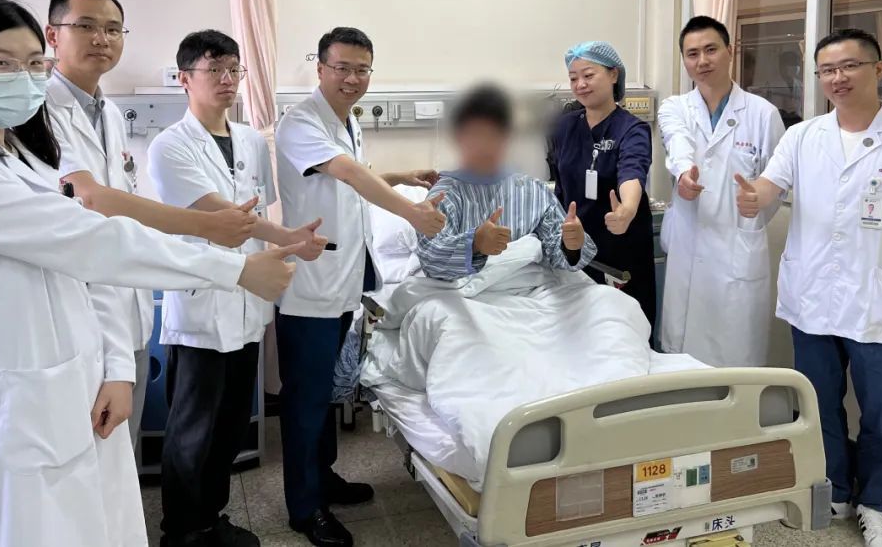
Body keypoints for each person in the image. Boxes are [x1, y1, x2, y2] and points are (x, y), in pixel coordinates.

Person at [0, 0, 300, 547]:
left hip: (87, 385)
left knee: (112, 526)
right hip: (22, 407)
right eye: (0, 63)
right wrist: (235, 270)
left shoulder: (29, 160)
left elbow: (91, 277)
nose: (23, 76)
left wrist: (115, 366)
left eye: (32, 64)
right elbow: (93, 241)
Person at [736, 28, 882, 547]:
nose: (837, 78)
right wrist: (754, 196)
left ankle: (875, 505)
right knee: (819, 404)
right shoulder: (803, 136)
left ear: (878, 69)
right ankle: (836, 490)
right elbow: (770, 185)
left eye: (849, 66)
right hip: (813, 298)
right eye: (827, 70)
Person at [45, 0, 262, 460]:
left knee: (121, 453)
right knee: (93, 453)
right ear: (53, 35)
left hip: (126, 302)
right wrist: (207, 227)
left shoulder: (109, 114)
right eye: (86, 26)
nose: (101, 38)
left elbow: (124, 203)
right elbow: (91, 199)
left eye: (112, 29)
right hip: (78, 305)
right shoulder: (41, 112)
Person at [148, 30, 328, 547]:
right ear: (185, 79)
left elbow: (256, 207)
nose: (228, 80)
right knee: (193, 431)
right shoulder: (169, 146)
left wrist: (286, 239)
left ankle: (211, 518)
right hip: (202, 306)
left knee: (229, 425)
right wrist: (289, 238)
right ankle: (183, 531)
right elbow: (224, 217)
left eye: (234, 70)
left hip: (247, 305)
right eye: (215, 70)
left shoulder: (250, 140)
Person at [275, 27, 446, 547]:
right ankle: (305, 508)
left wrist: (400, 176)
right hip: (310, 286)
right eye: (342, 67)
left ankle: (323, 477)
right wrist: (413, 214)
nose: (352, 78)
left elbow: (353, 176)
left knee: (325, 392)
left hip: (343, 279)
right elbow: (347, 172)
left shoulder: (345, 122)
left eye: (362, 69)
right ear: (320, 68)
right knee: (305, 399)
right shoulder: (300, 121)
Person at [657, 16, 785, 366]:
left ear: (730, 51)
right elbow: (678, 141)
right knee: (683, 364)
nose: (702, 61)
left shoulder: (763, 114)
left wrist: (755, 204)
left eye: (711, 50)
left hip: (736, 249)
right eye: (692, 53)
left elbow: (777, 182)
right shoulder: (675, 107)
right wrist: (684, 173)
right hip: (688, 243)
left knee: (736, 361)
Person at [417, 84, 595, 279]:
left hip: (529, 288)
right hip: (467, 291)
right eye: (476, 135)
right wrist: (474, 243)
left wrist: (572, 245)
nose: (485, 146)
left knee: (610, 299)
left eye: (494, 135)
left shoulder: (532, 192)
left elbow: (558, 253)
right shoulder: (444, 196)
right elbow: (430, 260)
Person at [549, 41, 657, 325]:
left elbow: (632, 171)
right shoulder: (564, 127)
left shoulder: (632, 129)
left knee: (622, 330)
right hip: (575, 248)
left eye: (588, 75)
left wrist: (627, 210)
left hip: (620, 251)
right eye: (573, 78)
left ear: (613, 74)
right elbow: (559, 185)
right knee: (578, 329)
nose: (580, 84)